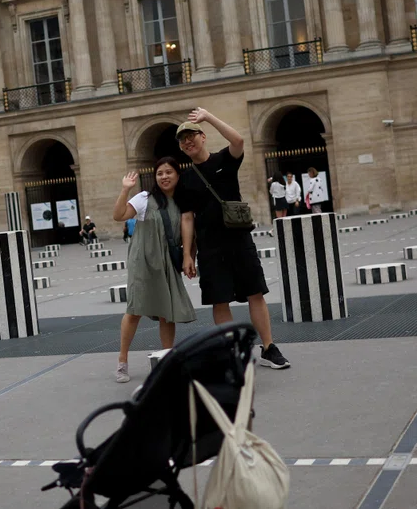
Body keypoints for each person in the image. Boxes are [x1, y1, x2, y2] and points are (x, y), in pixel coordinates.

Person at [175, 109, 290, 370]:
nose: (187, 142)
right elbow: (187, 218)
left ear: (203, 137)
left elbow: (238, 141)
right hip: (209, 246)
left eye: (191, 135)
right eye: (182, 140)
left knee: (255, 292)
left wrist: (208, 117)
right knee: (219, 299)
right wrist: (187, 255)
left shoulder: (223, 160)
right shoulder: (186, 180)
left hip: (238, 239)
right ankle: (232, 352)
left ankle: (269, 347)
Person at [111, 160, 196, 383]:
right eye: (160, 173)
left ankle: (167, 358)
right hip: (143, 261)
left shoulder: (183, 201)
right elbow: (119, 215)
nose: (164, 176)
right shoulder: (144, 198)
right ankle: (122, 361)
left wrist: (188, 256)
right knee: (134, 309)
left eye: (169, 172)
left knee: (166, 312)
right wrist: (125, 189)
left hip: (167, 262)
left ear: (178, 174)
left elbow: (187, 227)